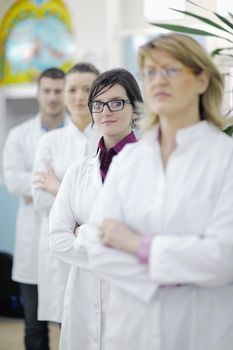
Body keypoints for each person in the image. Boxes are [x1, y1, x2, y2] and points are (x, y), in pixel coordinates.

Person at [80, 33, 233, 350]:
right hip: (133, 329)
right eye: (150, 72)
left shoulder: (225, 158)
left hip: (201, 330)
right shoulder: (129, 162)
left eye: (171, 70)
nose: (158, 79)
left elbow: (223, 257)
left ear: (202, 80)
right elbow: (97, 247)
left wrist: (136, 244)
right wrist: (179, 271)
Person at [49, 68, 143, 349]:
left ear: (135, 109)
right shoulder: (78, 171)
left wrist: (82, 233)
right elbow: (57, 240)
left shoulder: (153, 167)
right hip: (83, 298)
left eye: (116, 103)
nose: (106, 111)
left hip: (133, 299)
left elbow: (147, 237)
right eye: (98, 104)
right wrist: (115, 242)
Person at [3, 67, 67, 350]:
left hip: (67, 243)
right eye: (48, 91)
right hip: (31, 242)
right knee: (33, 327)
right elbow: (12, 181)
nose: (53, 97)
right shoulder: (19, 135)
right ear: (38, 94)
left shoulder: (79, 133)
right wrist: (54, 184)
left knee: (72, 323)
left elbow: (84, 187)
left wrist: (49, 186)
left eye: (58, 90)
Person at [32, 62, 100, 324]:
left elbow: (115, 207)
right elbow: (40, 200)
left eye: (88, 89)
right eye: (72, 90)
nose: (80, 96)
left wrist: (58, 187)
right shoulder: (50, 141)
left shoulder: (113, 138)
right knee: (68, 326)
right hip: (63, 254)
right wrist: (89, 214)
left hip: (102, 253)